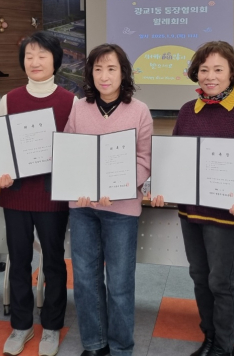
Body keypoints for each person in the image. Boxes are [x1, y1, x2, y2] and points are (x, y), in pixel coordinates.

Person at [152, 41, 234, 356]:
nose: (210, 76)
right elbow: (176, 157)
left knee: (222, 281)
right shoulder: (188, 111)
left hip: (227, 212)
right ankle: (210, 337)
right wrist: (164, 184)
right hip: (192, 211)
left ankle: (223, 347)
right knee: (199, 276)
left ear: (232, 72)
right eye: (204, 69)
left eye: (218, 69)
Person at [64, 44, 153, 356]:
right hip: (83, 207)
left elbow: (145, 160)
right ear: (90, 73)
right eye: (98, 69)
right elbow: (69, 154)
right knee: (86, 280)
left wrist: (120, 186)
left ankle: (120, 346)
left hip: (122, 209)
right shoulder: (79, 107)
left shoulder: (139, 110)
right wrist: (76, 185)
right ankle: (94, 343)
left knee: (119, 283)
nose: (104, 76)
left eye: (111, 69)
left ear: (123, 72)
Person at [0, 31, 77, 356]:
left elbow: (74, 151)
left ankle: (52, 326)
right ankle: (21, 325)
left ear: (55, 60)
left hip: (52, 196)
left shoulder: (70, 102)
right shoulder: (9, 99)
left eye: (42, 55)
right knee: (18, 261)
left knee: (54, 262)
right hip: (15, 195)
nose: (35, 61)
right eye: (29, 56)